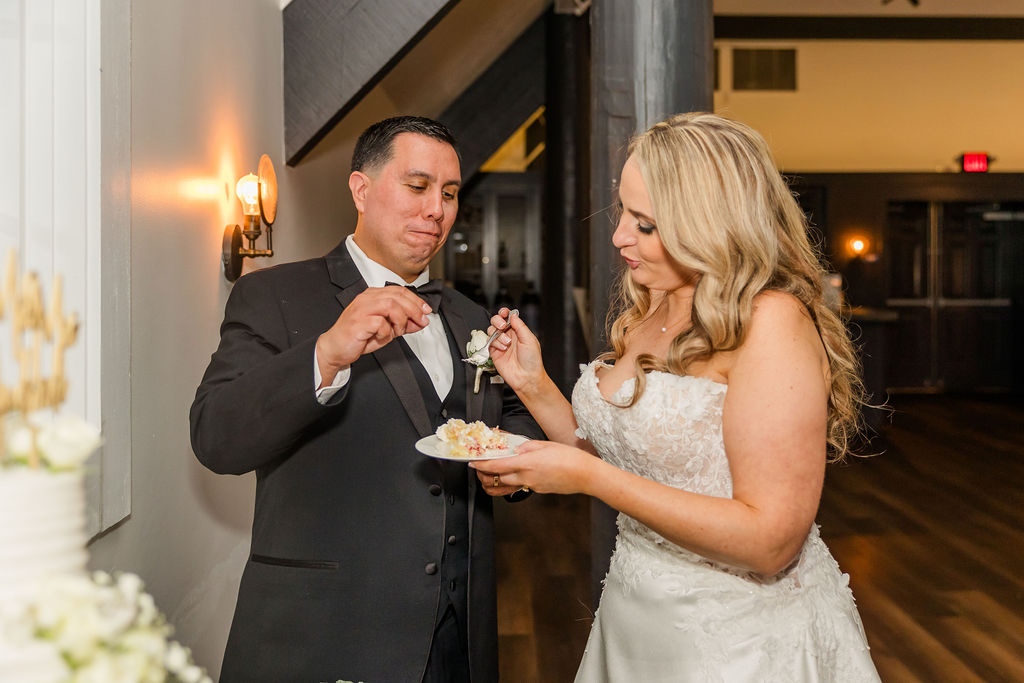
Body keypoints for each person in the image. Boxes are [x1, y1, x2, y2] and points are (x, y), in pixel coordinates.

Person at [473, 112, 882, 681]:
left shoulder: (772, 322)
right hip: (638, 615)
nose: (619, 236)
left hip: (739, 640)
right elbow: (625, 459)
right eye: (624, 212)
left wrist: (588, 479)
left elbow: (771, 542)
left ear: (711, 225)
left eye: (645, 224)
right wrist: (533, 385)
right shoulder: (653, 304)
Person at [190, 115, 543, 683]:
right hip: (328, 637)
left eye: (450, 193)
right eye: (418, 186)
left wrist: (517, 466)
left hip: (459, 639)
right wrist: (327, 353)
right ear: (361, 188)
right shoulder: (276, 295)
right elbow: (216, 439)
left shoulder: (468, 315)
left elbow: (515, 422)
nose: (437, 210)